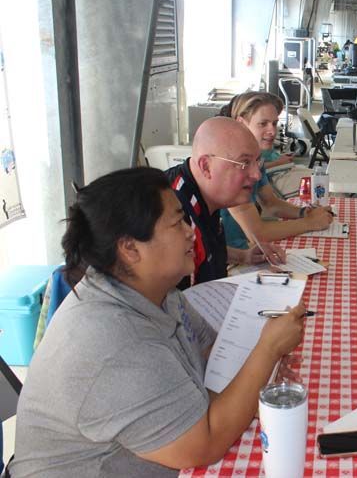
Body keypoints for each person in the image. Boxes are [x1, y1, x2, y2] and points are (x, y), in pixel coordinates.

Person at [9, 167, 306, 477]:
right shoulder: (113, 342)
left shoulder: (155, 291)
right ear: (129, 249)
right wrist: (267, 350)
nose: (191, 231)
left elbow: (214, 354)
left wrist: (259, 372)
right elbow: (204, 445)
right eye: (177, 222)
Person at [166, 117, 285, 289]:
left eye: (257, 162)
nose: (256, 175)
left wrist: (243, 256)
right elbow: (177, 305)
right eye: (244, 163)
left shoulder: (207, 193)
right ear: (206, 166)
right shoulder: (176, 212)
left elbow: (202, 247)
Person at [218, 92, 334, 250]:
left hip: (249, 250)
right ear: (241, 123)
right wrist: (310, 223)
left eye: (274, 123)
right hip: (231, 258)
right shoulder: (231, 166)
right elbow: (257, 233)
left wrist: (305, 213)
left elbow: (270, 203)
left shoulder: (255, 158)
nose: (272, 131)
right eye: (263, 124)